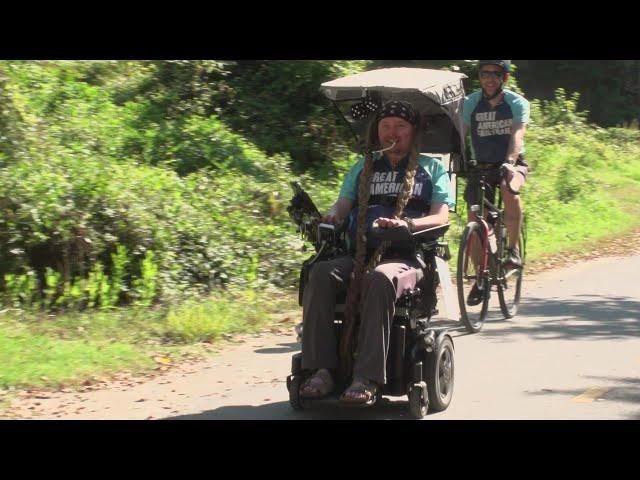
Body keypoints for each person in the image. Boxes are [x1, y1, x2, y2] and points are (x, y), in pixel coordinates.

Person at [299, 100, 455, 404]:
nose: (391, 133)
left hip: (406, 259)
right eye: (385, 126)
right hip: (358, 253)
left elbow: (441, 217)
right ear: (377, 131)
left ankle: (366, 377)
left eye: (400, 126)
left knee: (380, 279)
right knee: (319, 274)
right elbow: (343, 205)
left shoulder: (431, 168)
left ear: (413, 132)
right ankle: (321, 370)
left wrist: (406, 225)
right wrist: (331, 218)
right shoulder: (363, 167)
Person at [462, 60, 530, 305]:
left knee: (508, 188)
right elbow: (461, 133)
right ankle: (481, 278)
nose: (489, 78)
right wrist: (458, 160)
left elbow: (517, 134)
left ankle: (512, 249)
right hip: (481, 166)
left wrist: (510, 161)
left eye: (495, 74)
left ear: (505, 78)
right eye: (484, 74)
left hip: (511, 163)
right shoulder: (470, 103)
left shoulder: (516, 103)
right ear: (479, 76)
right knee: (473, 220)